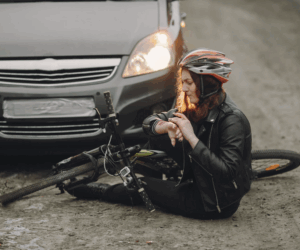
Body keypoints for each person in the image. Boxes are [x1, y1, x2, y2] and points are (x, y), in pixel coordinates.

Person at [66, 48, 253, 220]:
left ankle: (99, 191)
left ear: (207, 84)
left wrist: (191, 137)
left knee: (142, 186)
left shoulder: (232, 120)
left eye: (189, 82)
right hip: (199, 173)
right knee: (163, 132)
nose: (185, 89)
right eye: (183, 82)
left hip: (211, 202)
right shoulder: (198, 106)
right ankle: (161, 174)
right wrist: (165, 127)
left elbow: (226, 173)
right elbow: (149, 122)